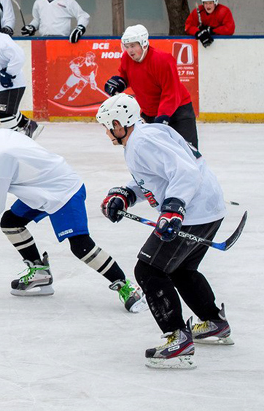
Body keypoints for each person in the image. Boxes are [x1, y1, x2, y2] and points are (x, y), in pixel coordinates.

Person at [0, 117, 146, 312]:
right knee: (11, 222)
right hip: (43, 187)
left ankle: (126, 286)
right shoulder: (0, 135)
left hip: (63, 192)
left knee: (81, 246)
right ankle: (40, 273)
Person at [96, 93, 232, 369]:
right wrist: (125, 194)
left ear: (120, 123)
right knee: (181, 270)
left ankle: (178, 339)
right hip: (207, 208)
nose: (107, 132)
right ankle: (214, 323)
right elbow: (155, 176)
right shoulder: (148, 134)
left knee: (148, 270)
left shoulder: (142, 142)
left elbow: (185, 172)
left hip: (193, 211)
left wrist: (174, 209)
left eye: (108, 125)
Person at [104, 24, 199, 149]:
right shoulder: (126, 58)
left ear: (143, 44)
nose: (130, 50)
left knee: (188, 152)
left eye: (133, 46)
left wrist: (162, 117)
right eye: (127, 47)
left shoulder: (162, 60)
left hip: (178, 112)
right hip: (149, 114)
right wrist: (119, 83)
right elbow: (126, 76)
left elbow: (171, 92)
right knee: (155, 154)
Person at [22, 0, 90, 43]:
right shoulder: (39, 1)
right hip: (43, 41)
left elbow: (83, 16)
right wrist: (32, 27)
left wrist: (79, 29)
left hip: (63, 41)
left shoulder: (68, 0)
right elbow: (37, 20)